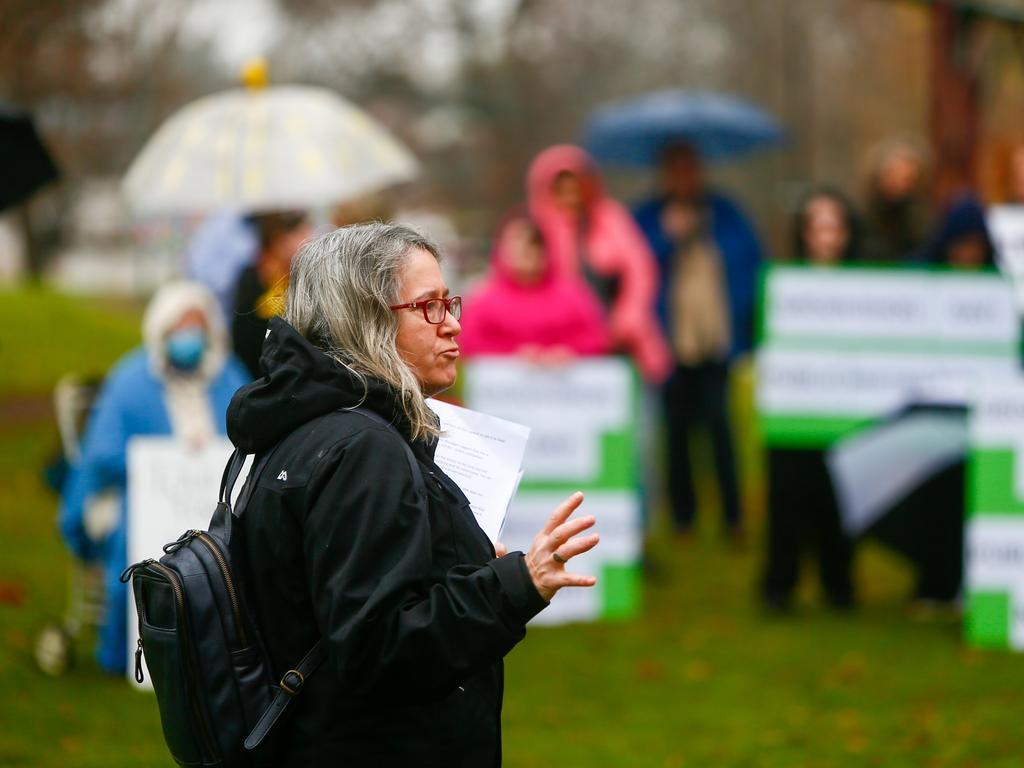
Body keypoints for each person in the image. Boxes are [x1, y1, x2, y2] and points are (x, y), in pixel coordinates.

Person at [226, 222, 600, 766]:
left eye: (452, 303)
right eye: (429, 307)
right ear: (366, 319)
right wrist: (518, 583)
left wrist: (464, 563)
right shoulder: (362, 448)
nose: (452, 326)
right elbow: (379, 651)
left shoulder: (307, 423)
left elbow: (341, 593)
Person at [58, 281, 249, 674]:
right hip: (136, 495)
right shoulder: (130, 380)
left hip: (209, 500)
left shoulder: (226, 374)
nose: (190, 336)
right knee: (132, 534)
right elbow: (103, 453)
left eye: (198, 325)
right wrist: (165, 461)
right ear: (162, 329)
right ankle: (126, 647)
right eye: (182, 326)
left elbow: (249, 433)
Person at [633, 143, 764, 536]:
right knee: (675, 434)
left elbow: (750, 263)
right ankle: (682, 517)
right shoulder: (648, 216)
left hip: (716, 341)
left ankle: (733, 516)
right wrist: (669, 238)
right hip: (668, 343)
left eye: (690, 169)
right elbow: (634, 267)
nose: (684, 178)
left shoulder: (726, 212)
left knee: (720, 427)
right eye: (675, 170)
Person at [761, 187, 860, 612]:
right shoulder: (783, 283)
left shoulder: (867, 288)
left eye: (834, 225)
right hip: (791, 410)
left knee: (837, 498)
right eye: (817, 225)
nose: (826, 235)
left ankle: (839, 586)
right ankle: (779, 586)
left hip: (843, 412)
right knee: (786, 498)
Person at [526, 144, 671, 382]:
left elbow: (640, 270)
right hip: (564, 348)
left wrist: (629, 315)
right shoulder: (539, 230)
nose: (570, 197)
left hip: (620, 339)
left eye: (576, 188)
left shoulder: (610, 219)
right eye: (561, 190)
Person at [458, 214, 611, 359]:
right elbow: (470, 342)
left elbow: (596, 338)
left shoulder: (574, 295)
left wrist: (569, 351)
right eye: (517, 243)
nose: (526, 251)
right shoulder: (483, 299)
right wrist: (513, 353)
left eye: (534, 243)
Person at [231, 210, 312, 377]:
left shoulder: (303, 278)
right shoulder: (252, 279)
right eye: (300, 234)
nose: (308, 240)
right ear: (278, 240)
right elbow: (244, 340)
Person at [861, 137, 932, 263]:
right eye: (894, 176)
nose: (901, 186)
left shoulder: (921, 221)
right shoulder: (863, 218)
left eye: (908, 179)